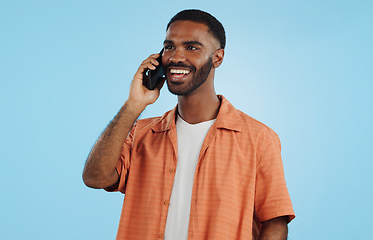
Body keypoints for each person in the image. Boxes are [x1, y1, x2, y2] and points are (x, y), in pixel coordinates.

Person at [83, 9, 295, 240]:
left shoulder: (258, 138)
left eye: (191, 47)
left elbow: (275, 223)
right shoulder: (141, 133)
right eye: (169, 46)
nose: (175, 57)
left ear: (218, 57)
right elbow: (95, 178)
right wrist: (134, 105)